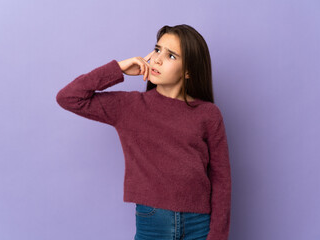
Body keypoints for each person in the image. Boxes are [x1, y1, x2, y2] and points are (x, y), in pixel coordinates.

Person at [56, 24, 231, 240]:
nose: (157, 59)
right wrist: (118, 68)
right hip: (153, 223)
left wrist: (218, 235)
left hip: (200, 224)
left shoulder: (208, 114)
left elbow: (221, 178)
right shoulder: (129, 107)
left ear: (188, 71)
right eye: (157, 50)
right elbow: (68, 97)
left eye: (171, 56)